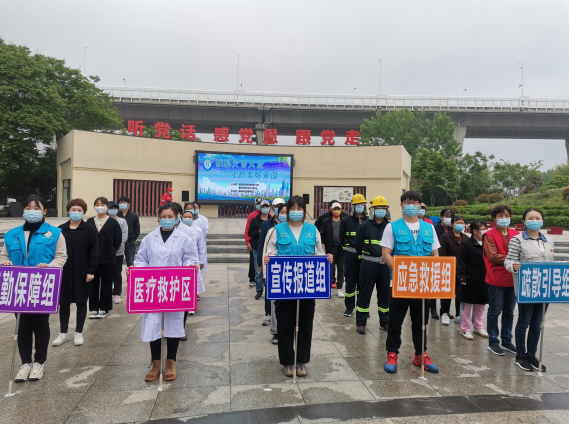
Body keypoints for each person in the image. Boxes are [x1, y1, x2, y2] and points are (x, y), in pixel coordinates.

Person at [264, 196, 333, 377]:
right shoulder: (277, 230)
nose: (296, 212)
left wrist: (326, 258)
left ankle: (302, 361)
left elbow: (318, 253)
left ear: (304, 210)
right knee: (285, 324)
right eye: (292, 208)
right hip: (284, 286)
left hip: (306, 286)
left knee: (305, 324)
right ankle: (287, 362)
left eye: (299, 208)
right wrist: (268, 260)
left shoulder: (312, 230)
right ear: (287, 210)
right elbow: (270, 253)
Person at [1, 195, 67, 382]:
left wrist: (50, 266)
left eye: (36, 208)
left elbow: (61, 256)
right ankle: (25, 363)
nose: (32, 211)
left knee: (40, 325)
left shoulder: (55, 233)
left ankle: (39, 362)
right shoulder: (12, 234)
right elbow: (4, 255)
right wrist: (5, 262)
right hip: (19, 286)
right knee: (21, 325)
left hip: (42, 285)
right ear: (23, 211)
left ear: (44, 211)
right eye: (28, 208)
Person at [131, 202, 200, 382]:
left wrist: (191, 266)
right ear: (158, 218)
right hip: (154, 287)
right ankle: (155, 363)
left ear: (177, 218)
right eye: (164, 217)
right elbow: (141, 260)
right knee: (153, 323)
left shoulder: (185, 239)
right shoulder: (149, 239)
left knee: (173, 324)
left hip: (174, 287)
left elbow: (190, 259)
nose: (167, 220)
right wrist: (136, 270)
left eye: (170, 217)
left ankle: (170, 362)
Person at [382, 191, 440, 374]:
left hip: (422, 284)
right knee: (395, 321)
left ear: (420, 205)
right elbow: (386, 254)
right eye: (407, 202)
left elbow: (435, 254)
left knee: (421, 321)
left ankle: (421, 354)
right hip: (400, 283)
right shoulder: (392, 227)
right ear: (401, 205)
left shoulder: (429, 228)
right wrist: (402, 272)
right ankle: (392, 354)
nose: (411, 205)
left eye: (415, 202)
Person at [505, 208, 553, 372]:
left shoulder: (548, 241)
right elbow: (508, 261)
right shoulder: (517, 240)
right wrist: (513, 266)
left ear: (542, 221)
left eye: (537, 218)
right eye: (530, 218)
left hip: (545, 289)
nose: (534, 221)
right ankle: (520, 356)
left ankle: (531, 355)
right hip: (527, 288)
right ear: (524, 222)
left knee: (537, 323)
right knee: (524, 322)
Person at [53, 199, 99, 348]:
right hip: (64, 271)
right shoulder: (60, 230)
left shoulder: (89, 230)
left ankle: (79, 332)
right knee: (64, 302)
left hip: (82, 271)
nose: (76, 212)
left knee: (81, 301)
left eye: (79, 210)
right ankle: (63, 332)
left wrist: (91, 270)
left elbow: (94, 251)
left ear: (83, 212)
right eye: (73, 209)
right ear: (68, 211)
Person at [483, 205, 519, 356]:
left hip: (513, 277)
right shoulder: (489, 235)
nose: (504, 218)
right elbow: (493, 256)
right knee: (494, 310)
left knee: (509, 311)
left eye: (506, 215)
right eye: (500, 216)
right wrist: (514, 259)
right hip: (496, 278)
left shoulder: (516, 233)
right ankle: (493, 342)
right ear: (494, 218)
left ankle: (507, 340)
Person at [354, 196, 391, 334]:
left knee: (385, 295)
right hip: (368, 264)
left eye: (383, 208)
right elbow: (358, 244)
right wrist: (364, 258)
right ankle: (361, 323)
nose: (381, 211)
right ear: (372, 210)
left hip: (385, 266)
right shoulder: (364, 225)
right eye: (378, 208)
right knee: (364, 294)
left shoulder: (389, 226)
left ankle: (385, 322)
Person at [86, 197, 122, 319]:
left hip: (108, 258)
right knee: (93, 284)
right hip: (92, 259)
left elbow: (117, 240)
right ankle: (94, 308)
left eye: (102, 204)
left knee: (106, 284)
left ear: (107, 207)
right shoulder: (89, 221)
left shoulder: (113, 222)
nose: (99, 207)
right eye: (97, 204)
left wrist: (111, 251)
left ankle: (104, 308)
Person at [259, 201, 287, 344]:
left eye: (287, 212)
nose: (285, 215)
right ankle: (275, 331)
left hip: (292, 272)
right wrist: (264, 271)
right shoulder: (272, 230)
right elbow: (265, 251)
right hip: (276, 272)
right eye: (282, 212)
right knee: (275, 302)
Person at [457, 220, 489, 340]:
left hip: (484, 278)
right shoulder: (466, 244)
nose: (485, 231)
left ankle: (478, 326)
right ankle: (465, 328)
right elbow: (461, 261)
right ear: (475, 231)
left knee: (481, 304)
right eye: (483, 229)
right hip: (469, 278)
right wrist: (462, 276)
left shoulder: (487, 243)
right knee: (467, 304)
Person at [179, 206, 207, 336]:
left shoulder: (198, 231)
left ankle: (191, 306)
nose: (187, 219)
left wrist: (201, 261)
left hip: (193, 260)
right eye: (185, 217)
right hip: (181, 262)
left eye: (189, 217)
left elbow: (201, 247)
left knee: (192, 284)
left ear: (193, 218)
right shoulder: (177, 230)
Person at [340, 194, 367, 317]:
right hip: (351, 255)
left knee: (363, 282)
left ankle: (362, 308)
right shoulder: (346, 220)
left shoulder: (368, 221)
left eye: (362, 205)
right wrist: (348, 250)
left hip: (365, 256)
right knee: (350, 282)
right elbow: (341, 238)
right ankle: (349, 308)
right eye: (357, 205)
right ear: (353, 206)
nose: (360, 207)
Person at [438, 215, 468, 325]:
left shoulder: (466, 237)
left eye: (462, 223)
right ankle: (444, 313)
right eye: (458, 223)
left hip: (462, 270)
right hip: (449, 269)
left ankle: (458, 314)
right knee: (447, 293)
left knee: (460, 293)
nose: (460, 225)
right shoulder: (445, 236)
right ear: (452, 224)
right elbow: (442, 253)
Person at [431, 207, 455, 320]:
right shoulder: (435, 228)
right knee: (434, 286)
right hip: (436, 259)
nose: (448, 218)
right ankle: (433, 309)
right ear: (441, 217)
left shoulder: (453, 229)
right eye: (446, 216)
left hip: (448, 262)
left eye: (451, 217)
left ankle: (445, 311)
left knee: (446, 287)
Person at [321, 202, 346, 298]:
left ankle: (339, 288)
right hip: (330, 248)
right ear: (331, 210)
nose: (337, 211)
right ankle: (328, 287)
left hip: (341, 249)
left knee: (341, 269)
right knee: (330, 269)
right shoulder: (326, 221)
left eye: (338, 209)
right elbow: (322, 234)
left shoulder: (344, 221)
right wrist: (322, 243)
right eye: (335, 209)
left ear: (341, 210)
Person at [249, 200, 271, 299]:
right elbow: (250, 233)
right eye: (264, 207)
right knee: (258, 270)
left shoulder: (271, 220)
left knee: (270, 270)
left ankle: (269, 289)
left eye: (267, 207)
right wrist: (258, 231)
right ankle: (259, 290)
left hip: (269, 249)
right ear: (260, 208)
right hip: (257, 247)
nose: (265, 208)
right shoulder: (254, 220)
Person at [108, 201, 128, 304]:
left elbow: (124, 235)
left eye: (114, 208)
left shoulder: (122, 221)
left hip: (118, 252)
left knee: (117, 273)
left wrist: (115, 246)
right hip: (105, 252)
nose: (113, 210)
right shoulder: (104, 221)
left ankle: (117, 293)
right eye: (110, 208)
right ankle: (106, 293)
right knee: (106, 273)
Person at [117, 196, 140, 271]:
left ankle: (130, 276)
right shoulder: (116, 215)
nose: (122, 204)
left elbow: (137, 230)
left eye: (124, 202)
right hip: (118, 242)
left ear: (128, 204)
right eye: (120, 203)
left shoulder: (134, 216)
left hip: (130, 242)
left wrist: (132, 238)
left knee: (130, 262)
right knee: (117, 262)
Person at [245, 197, 263, 287]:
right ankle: (252, 278)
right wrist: (247, 242)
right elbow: (247, 230)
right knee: (253, 261)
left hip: (264, 242)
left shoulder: (268, 215)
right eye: (258, 204)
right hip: (254, 242)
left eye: (261, 204)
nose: (259, 206)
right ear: (255, 205)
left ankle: (263, 279)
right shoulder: (252, 215)